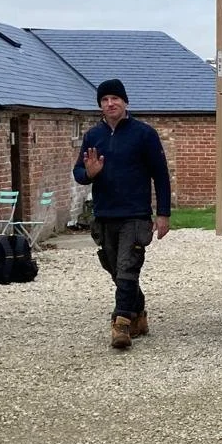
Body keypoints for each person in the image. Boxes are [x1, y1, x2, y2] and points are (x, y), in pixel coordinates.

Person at [73, 78, 171, 350]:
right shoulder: (93, 136)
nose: (110, 103)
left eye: (115, 98)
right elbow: (78, 173)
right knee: (116, 269)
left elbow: (161, 175)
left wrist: (163, 214)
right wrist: (89, 174)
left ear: (125, 102)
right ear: (100, 106)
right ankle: (138, 315)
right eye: (104, 100)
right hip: (105, 214)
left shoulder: (144, 134)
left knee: (128, 266)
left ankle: (121, 324)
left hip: (136, 214)